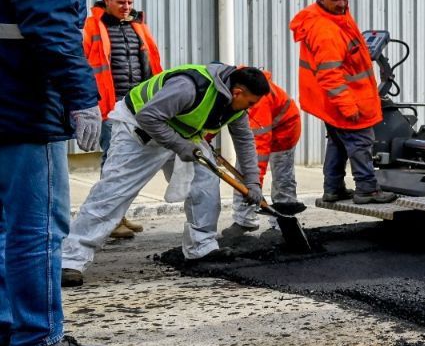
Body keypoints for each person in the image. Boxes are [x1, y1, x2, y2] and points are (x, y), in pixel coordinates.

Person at [1, 0, 111, 346]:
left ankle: (9, 331)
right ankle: (37, 337)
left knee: (5, 229)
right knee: (38, 226)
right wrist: (80, 96)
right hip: (25, 108)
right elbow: (52, 27)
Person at [61, 64, 269, 285]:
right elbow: (148, 117)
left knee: (205, 183)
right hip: (138, 133)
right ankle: (70, 260)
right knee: (113, 194)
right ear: (238, 92)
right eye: (250, 103)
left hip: (180, 133)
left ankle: (202, 246)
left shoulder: (235, 105)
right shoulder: (189, 87)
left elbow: (245, 142)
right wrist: (180, 145)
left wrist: (253, 183)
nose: (250, 108)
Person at [290, 0, 395, 205]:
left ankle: (334, 189)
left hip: (332, 101)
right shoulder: (325, 30)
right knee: (360, 142)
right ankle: (367, 189)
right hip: (344, 101)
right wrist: (348, 106)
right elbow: (330, 75)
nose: (342, 3)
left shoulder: (334, 17)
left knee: (338, 143)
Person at [83, 0, 164, 238]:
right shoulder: (92, 26)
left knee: (129, 163)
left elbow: (151, 62)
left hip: (139, 104)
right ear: (107, 1)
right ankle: (109, 219)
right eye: (121, 2)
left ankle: (119, 215)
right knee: (114, 162)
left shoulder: (138, 26)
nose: (126, 6)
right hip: (109, 105)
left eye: (129, 1)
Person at [222, 70, 305, 240]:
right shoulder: (233, 89)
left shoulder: (254, 102)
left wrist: (254, 184)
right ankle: (244, 221)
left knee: (282, 176)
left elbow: (257, 150)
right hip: (266, 127)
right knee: (243, 170)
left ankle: (282, 223)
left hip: (286, 129)